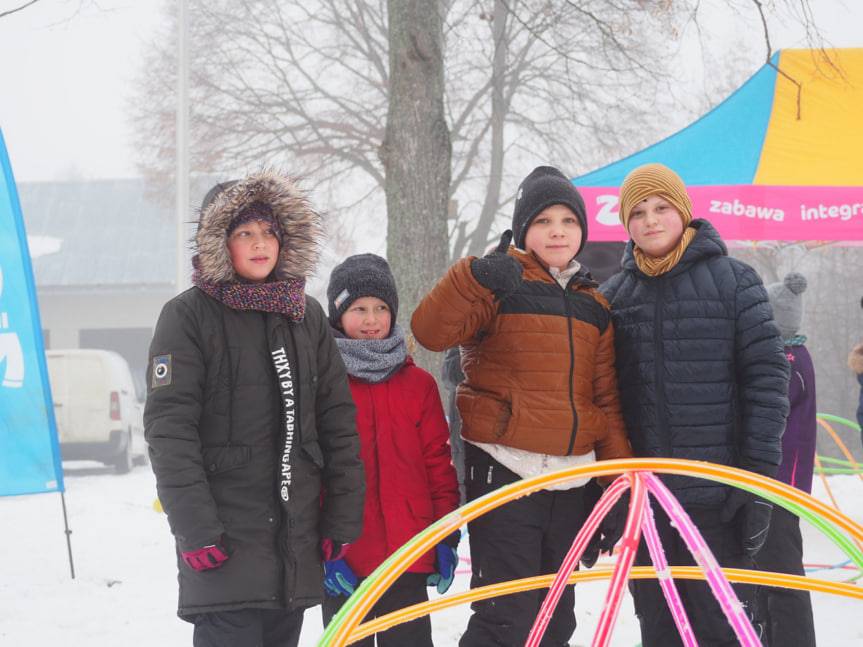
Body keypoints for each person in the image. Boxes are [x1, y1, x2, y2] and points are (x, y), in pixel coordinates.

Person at [412, 166, 633, 647]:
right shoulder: (497, 285)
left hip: (571, 479)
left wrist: (614, 487)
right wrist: (474, 276)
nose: (557, 231)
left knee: (556, 617)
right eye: (544, 221)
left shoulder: (594, 304)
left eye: (568, 221)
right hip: (505, 468)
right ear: (523, 230)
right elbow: (430, 331)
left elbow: (606, 401)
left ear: (582, 232)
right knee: (505, 615)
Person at [144, 172, 365, 647]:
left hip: (294, 545)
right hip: (224, 545)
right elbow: (169, 432)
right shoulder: (187, 317)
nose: (260, 244)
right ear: (220, 243)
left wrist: (342, 518)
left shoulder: (305, 316)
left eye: (269, 232)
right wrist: (195, 529)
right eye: (245, 233)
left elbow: (338, 426)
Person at [600, 163, 790, 646]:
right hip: (647, 502)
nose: (651, 220)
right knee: (661, 631)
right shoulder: (613, 296)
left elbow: (767, 382)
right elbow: (601, 395)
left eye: (662, 207)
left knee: (720, 630)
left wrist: (754, 485)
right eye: (637, 212)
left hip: (718, 500)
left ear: (684, 212)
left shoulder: (733, 281)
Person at [321, 253, 460, 646]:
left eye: (381, 308)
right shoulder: (323, 383)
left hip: (408, 552)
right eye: (359, 308)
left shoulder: (418, 385)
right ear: (338, 315)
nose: (371, 319)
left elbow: (438, 464)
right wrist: (322, 548)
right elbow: (311, 469)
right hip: (345, 555)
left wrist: (446, 534)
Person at [756, 272, 817, 646]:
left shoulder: (784, 360)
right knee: (765, 571)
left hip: (777, 484)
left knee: (780, 572)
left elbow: (769, 420)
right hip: (778, 483)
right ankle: (766, 634)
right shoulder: (794, 355)